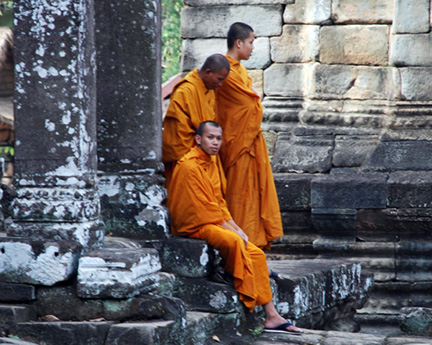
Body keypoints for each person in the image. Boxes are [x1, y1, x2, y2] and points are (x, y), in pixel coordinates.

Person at [167, 121, 303, 334]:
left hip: (211, 220)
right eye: (210, 137)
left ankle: (272, 315)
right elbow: (200, 208)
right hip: (194, 224)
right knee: (233, 240)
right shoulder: (188, 166)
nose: (215, 143)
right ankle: (232, 272)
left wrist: (235, 226)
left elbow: (219, 203)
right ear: (198, 139)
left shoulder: (211, 163)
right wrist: (231, 230)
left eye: (218, 138)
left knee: (256, 254)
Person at [214, 22, 283, 250]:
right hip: (236, 145)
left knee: (253, 197)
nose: (253, 48)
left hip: (247, 141)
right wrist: (256, 101)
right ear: (239, 43)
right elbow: (252, 105)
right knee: (239, 197)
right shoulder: (227, 72)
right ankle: (240, 248)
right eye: (251, 42)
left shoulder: (240, 70)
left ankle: (252, 247)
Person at [162, 53, 230, 190]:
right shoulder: (185, 91)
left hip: (206, 156)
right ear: (208, 72)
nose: (220, 84)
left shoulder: (209, 90)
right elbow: (177, 136)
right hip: (188, 160)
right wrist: (201, 147)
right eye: (219, 79)